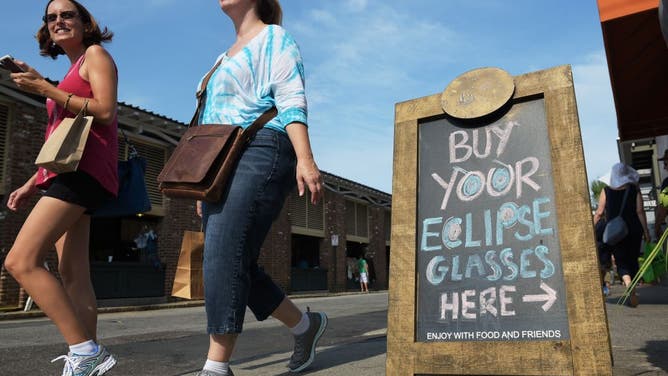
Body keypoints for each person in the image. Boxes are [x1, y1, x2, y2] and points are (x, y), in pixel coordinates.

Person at [193, 1, 327, 375]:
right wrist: (204, 185)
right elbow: (208, 124)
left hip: (264, 146)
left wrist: (305, 158)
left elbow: (291, 99)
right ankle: (305, 326)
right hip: (220, 162)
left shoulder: (275, 38)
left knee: (222, 251)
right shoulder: (221, 58)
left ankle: (216, 367)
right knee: (236, 259)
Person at [3, 1, 118, 374]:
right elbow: (61, 142)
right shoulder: (71, 71)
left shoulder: (95, 55)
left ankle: (85, 351)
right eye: (51, 18)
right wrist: (30, 183)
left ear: (85, 23)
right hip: (67, 175)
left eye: (67, 14)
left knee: (21, 261)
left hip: (82, 177)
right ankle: (87, 363)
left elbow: (103, 111)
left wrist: (45, 89)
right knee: (73, 276)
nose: (59, 21)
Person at [593, 163, 650, 307]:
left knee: (620, 260)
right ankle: (633, 285)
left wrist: (592, 228)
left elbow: (599, 212)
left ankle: (627, 282)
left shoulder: (606, 191)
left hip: (616, 230)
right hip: (634, 229)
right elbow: (640, 212)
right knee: (633, 258)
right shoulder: (634, 190)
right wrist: (646, 232)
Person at [654, 149, 668, 239]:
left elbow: (664, 206)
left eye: (666, 164)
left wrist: (657, 226)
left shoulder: (667, 183)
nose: (664, 167)